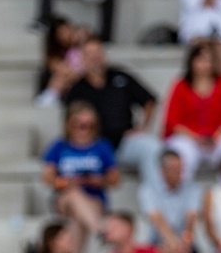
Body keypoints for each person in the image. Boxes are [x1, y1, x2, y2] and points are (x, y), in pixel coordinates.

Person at [59, 36, 158, 175]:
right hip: (93, 146)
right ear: (83, 59)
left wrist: (142, 127)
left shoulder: (120, 77)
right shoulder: (77, 89)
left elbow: (149, 100)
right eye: (90, 54)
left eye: (98, 53)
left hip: (124, 142)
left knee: (152, 148)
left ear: (104, 55)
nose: (95, 58)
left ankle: (155, 196)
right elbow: (71, 121)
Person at [41, 103, 119, 253]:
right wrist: (65, 182)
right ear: (69, 124)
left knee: (77, 220)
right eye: (79, 125)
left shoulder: (102, 146)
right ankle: (100, 230)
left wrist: (98, 180)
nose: (84, 129)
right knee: (73, 193)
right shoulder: (59, 146)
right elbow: (47, 177)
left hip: (93, 200)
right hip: (65, 199)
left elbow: (115, 179)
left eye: (88, 125)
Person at [161, 41, 221, 181]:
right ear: (192, 61)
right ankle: (185, 199)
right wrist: (196, 138)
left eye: (209, 60)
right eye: (201, 59)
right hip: (189, 139)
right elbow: (173, 122)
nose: (205, 64)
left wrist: (216, 136)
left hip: (216, 139)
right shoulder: (180, 85)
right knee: (182, 155)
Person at [138, 145, 202, 253]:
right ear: (162, 170)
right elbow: (158, 222)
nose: (179, 173)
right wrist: (177, 244)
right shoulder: (148, 189)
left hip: (183, 247)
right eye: (174, 169)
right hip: (162, 246)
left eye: (181, 169)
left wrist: (185, 242)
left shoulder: (192, 188)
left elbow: (190, 223)